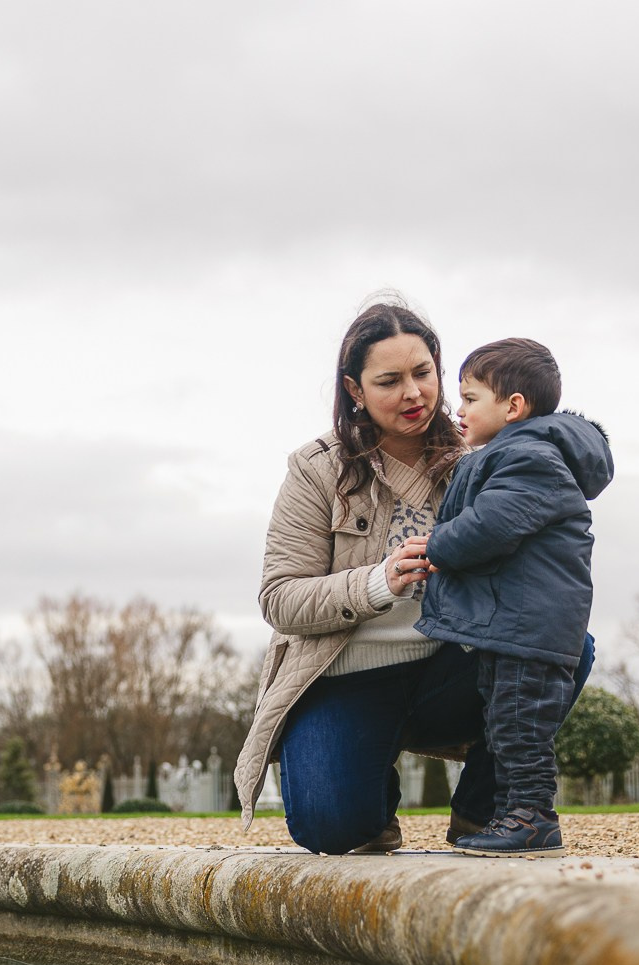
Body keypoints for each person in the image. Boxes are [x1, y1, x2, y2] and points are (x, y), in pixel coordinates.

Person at [232, 297, 594, 853]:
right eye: (389, 381)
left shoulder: (482, 452)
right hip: (345, 677)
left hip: (448, 667)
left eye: (424, 373)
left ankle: (485, 808)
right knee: (331, 829)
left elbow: (551, 461)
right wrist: (379, 581)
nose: (413, 394)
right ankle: (370, 777)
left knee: (565, 645)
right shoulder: (316, 469)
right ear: (354, 389)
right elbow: (281, 599)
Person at [406, 339, 613, 856]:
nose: (459, 409)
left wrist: (437, 546)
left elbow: (492, 525)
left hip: (529, 628)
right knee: (503, 722)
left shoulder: (529, 457)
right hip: (513, 626)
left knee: (521, 727)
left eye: (470, 398)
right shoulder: (517, 452)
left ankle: (533, 817)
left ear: (513, 406)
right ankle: (509, 814)